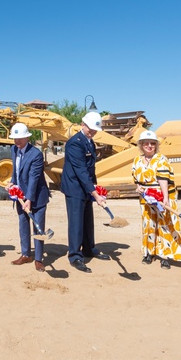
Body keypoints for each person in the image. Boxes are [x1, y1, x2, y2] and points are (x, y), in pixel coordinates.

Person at [60, 112, 109, 273]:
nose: (92, 131)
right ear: (82, 124)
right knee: (76, 223)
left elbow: (90, 169)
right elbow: (80, 170)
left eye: (95, 129)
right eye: (90, 128)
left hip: (86, 188)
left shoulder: (90, 142)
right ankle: (75, 255)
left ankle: (89, 249)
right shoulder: (75, 143)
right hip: (75, 188)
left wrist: (95, 188)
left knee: (88, 221)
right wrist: (95, 193)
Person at [132, 130, 181, 269]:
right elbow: (136, 178)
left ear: (156, 145)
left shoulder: (162, 159)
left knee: (164, 225)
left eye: (152, 143)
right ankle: (149, 252)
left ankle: (165, 256)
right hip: (146, 199)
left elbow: (163, 180)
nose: (149, 146)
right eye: (146, 143)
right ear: (141, 145)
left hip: (162, 197)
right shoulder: (137, 160)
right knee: (148, 225)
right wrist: (138, 187)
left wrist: (165, 199)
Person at [8, 122, 51, 272]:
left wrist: (29, 200)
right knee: (23, 225)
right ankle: (26, 254)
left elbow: (34, 178)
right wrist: (12, 182)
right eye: (15, 138)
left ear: (27, 137)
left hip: (37, 197)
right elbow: (16, 170)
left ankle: (38, 259)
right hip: (20, 196)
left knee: (38, 228)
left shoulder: (36, 154)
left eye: (20, 138)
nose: (17, 141)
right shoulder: (13, 149)